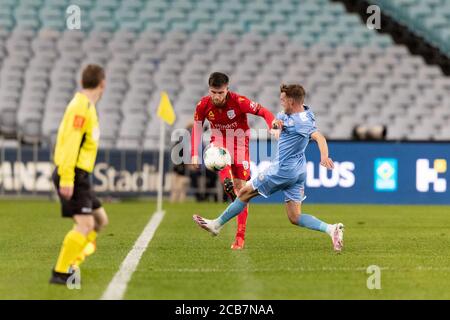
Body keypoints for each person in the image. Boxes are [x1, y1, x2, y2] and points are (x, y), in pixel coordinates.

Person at [193, 84, 345, 252]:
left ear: (292, 101)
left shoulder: (300, 122)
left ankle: (216, 225)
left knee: (243, 193)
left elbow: (319, 137)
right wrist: (276, 126)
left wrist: (324, 156)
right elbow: (282, 125)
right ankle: (332, 229)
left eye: (283, 100)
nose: (280, 103)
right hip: (299, 172)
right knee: (295, 217)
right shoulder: (305, 113)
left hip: (282, 170)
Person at [191, 72, 275, 250]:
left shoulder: (239, 101)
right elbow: (197, 129)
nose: (216, 96)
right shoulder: (203, 105)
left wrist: (271, 125)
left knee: (241, 191)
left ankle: (239, 236)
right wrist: (193, 154)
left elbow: (263, 111)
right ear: (209, 90)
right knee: (227, 177)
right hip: (219, 144)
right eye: (213, 92)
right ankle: (226, 182)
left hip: (240, 146)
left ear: (227, 89)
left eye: (220, 92)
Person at [50, 64, 108, 285]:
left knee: (100, 221)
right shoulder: (81, 107)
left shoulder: (86, 106)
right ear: (102, 83)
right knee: (85, 225)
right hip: (73, 173)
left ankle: (73, 260)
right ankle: (61, 272)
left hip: (80, 174)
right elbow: (70, 144)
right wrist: (66, 178)